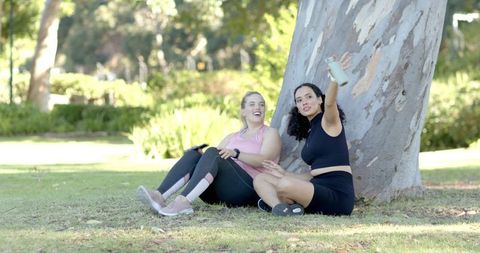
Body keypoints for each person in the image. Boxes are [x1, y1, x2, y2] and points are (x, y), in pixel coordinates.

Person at [137, 91, 281, 216]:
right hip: (216, 193)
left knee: (213, 152)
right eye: (252, 104)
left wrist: (236, 153)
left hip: (248, 189)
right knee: (195, 154)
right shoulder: (232, 136)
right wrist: (199, 156)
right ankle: (159, 196)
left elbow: (264, 160)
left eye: (261, 104)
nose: (258, 107)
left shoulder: (270, 133)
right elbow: (212, 160)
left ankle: (183, 202)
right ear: (243, 111)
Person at [253, 55, 355, 216]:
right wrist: (284, 173)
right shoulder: (311, 131)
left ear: (320, 99)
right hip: (315, 187)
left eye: (309, 97)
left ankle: (286, 202)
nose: (304, 102)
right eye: (299, 100)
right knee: (261, 179)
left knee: (285, 185)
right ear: (298, 108)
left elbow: (330, 103)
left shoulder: (329, 122)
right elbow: (313, 174)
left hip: (337, 195)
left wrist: (335, 78)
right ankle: (280, 208)